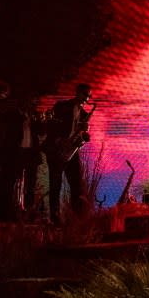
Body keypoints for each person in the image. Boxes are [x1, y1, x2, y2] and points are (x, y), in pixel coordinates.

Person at [44, 83, 95, 224]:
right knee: (56, 184)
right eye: (85, 94)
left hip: (72, 150)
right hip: (56, 149)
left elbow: (80, 134)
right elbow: (50, 125)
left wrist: (85, 132)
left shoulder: (84, 114)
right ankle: (55, 217)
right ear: (77, 93)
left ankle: (76, 218)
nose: (87, 98)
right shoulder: (61, 106)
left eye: (89, 96)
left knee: (76, 184)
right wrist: (58, 140)